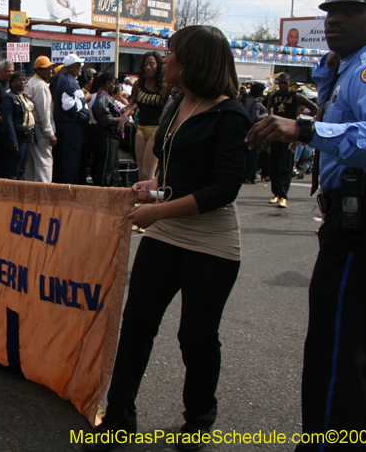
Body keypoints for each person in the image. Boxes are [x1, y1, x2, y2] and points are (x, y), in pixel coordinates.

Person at [84, 26, 252, 452]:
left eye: (172, 52)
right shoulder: (179, 102)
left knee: (196, 336)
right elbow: (177, 171)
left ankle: (198, 422)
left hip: (211, 241)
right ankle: (119, 420)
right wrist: (153, 187)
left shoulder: (231, 114)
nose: (165, 58)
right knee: (137, 324)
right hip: (166, 230)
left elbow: (223, 189)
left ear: (194, 60)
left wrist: (157, 209)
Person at [247, 0, 366, 452]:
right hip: (359, 222)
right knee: (364, 354)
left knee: (339, 352)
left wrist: (306, 129)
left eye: (351, 10)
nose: (334, 19)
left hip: (365, 227)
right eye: (330, 10)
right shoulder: (348, 67)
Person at [266, 73, 318, 208]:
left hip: (289, 135)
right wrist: (271, 117)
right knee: (274, 164)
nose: (282, 86)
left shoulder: (296, 96)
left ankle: (283, 195)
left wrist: (303, 122)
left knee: (286, 165)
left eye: (285, 83)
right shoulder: (274, 96)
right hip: (276, 133)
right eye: (280, 83)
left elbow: (314, 108)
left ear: (290, 83)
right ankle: (276, 193)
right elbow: (269, 107)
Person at [129, 51, 170, 181]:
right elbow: (134, 102)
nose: (148, 67)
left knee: (148, 174)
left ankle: (151, 201)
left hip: (156, 129)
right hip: (140, 128)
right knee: (141, 174)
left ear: (158, 66)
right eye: (145, 64)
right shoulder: (138, 84)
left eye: (152, 64)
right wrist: (125, 114)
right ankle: (143, 201)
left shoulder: (164, 85)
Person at [52, 53, 89, 184]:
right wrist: (84, 100)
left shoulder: (71, 80)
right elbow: (69, 106)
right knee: (70, 162)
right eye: (79, 65)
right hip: (71, 128)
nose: (81, 67)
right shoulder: (67, 81)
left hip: (73, 128)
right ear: (71, 67)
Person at [24, 56, 57, 182]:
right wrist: (50, 133)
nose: (50, 71)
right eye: (46, 69)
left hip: (31, 128)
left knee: (30, 166)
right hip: (41, 130)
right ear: (38, 70)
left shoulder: (30, 82)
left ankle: (30, 196)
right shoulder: (41, 86)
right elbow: (44, 112)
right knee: (44, 165)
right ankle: (44, 195)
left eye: (51, 68)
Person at [89, 72, 124, 187]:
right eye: (113, 84)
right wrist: (119, 119)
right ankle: (103, 192)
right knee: (106, 167)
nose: (114, 86)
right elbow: (104, 117)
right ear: (108, 83)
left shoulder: (105, 97)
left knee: (111, 166)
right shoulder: (102, 97)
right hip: (107, 136)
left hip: (109, 136)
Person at [0, 71, 36, 180]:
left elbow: (31, 115)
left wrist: (36, 134)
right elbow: (8, 121)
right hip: (17, 136)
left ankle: (19, 193)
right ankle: (10, 194)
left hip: (27, 135)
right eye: (19, 80)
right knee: (13, 168)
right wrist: (13, 140)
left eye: (24, 80)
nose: (22, 82)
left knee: (22, 168)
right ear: (12, 82)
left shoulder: (25, 97)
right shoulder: (9, 97)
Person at [243, 82, 267, 184]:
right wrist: (266, 115)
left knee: (247, 154)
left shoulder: (249, 100)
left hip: (246, 128)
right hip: (254, 129)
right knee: (253, 154)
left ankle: (245, 176)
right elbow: (256, 117)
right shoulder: (256, 102)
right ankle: (251, 176)